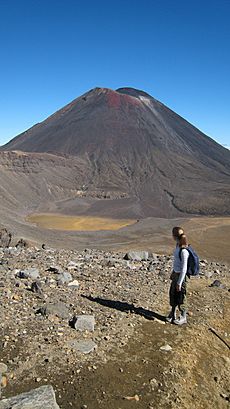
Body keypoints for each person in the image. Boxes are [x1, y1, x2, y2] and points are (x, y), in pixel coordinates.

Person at [166, 226, 189, 325]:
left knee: (181, 296)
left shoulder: (184, 251)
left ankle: (183, 317)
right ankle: (173, 313)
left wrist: (179, 282)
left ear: (175, 236)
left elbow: (184, 269)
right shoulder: (177, 246)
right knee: (173, 293)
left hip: (181, 277)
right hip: (175, 274)